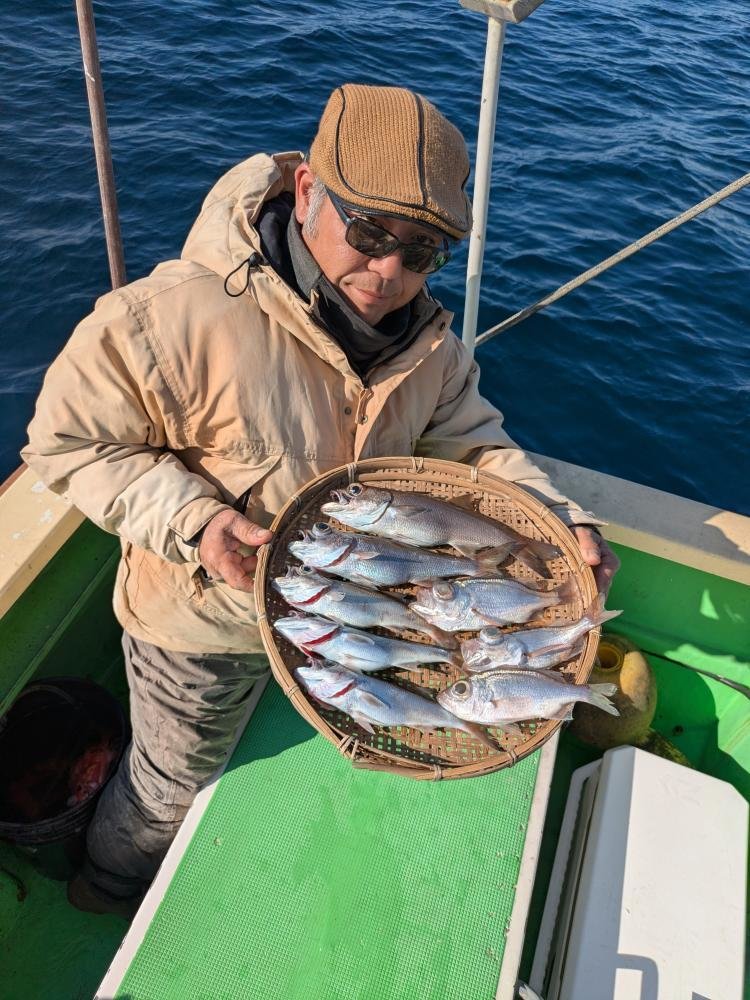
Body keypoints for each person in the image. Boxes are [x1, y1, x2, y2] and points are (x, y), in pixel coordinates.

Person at [22, 83, 619, 917]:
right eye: (370, 232)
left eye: (423, 251)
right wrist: (196, 520)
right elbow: (66, 442)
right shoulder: (170, 319)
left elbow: (476, 447)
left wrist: (558, 519)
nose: (390, 270)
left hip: (347, 621)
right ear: (307, 191)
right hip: (202, 630)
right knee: (170, 785)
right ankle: (106, 886)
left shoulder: (431, 348)